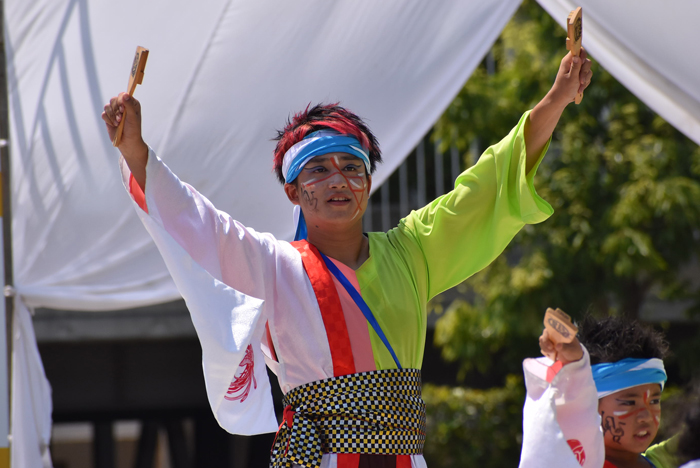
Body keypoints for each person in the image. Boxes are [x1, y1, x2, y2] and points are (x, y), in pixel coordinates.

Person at [102, 48, 592, 468]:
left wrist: (555, 100)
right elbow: (197, 220)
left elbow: (486, 185)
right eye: (318, 169)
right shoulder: (273, 264)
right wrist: (136, 150)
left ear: (369, 183)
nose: (338, 180)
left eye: (351, 167)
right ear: (292, 191)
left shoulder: (413, 250)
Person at [578, 315, 673, 468]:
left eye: (654, 401)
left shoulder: (665, 460)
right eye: (629, 403)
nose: (646, 416)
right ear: (589, 406)